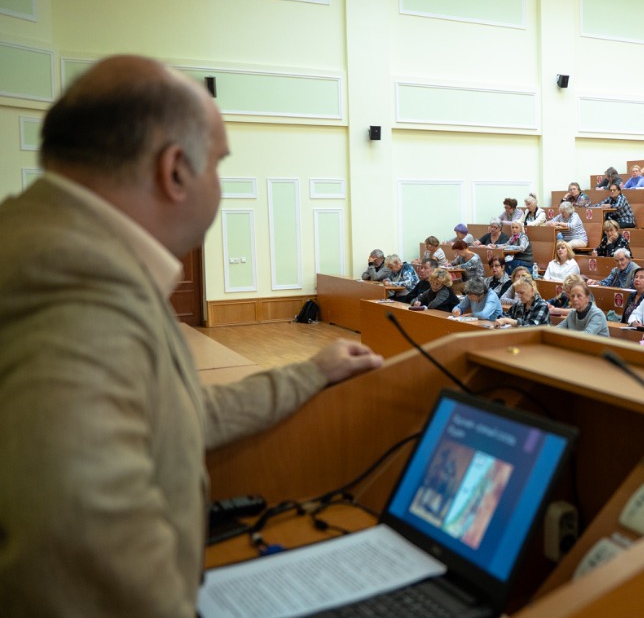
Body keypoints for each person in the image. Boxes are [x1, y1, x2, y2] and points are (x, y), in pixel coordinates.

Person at [0, 56, 386, 616]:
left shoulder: (53, 246)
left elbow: (169, 418)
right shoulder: (75, 292)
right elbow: (91, 573)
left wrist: (311, 373)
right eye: (219, 164)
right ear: (176, 169)